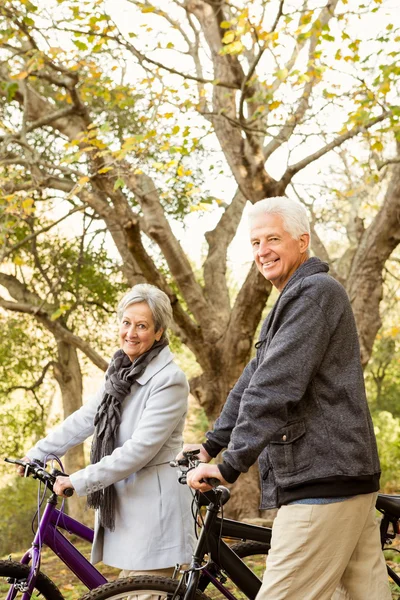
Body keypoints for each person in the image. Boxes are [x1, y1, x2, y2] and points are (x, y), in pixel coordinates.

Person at [183, 197, 391, 599]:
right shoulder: (294, 298)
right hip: (339, 477)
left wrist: (230, 466)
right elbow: (251, 380)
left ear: (302, 241)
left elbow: (274, 387)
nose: (262, 251)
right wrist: (212, 445)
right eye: (255, 242)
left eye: (272, 239)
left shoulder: (313, 294)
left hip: (322, 480)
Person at [17, 283, 195, 577]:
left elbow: (139, 450)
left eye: (142, 326)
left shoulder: (169, 380)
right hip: (130, 513)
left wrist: (78, 480)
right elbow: (86, 419)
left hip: (156, 517)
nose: (131, 332)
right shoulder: (120, 374)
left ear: (159, 332)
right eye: (126, 323)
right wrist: (36, 455)